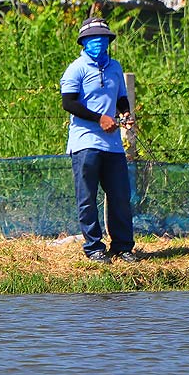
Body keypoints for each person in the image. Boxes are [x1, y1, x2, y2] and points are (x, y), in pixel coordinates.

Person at [60, 16, 137, 263]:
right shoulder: (76, 68)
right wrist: (99, 118)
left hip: (113, 144)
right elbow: (68, 103)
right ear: (83, 42)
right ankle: (94, 247)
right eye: (93, 39)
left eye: (103, 39)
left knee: (121, 196)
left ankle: (123, 247)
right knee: (87, 198)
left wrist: (124, 113)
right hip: (85, 142)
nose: (99, 43)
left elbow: (121, 98)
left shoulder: (115, 67)